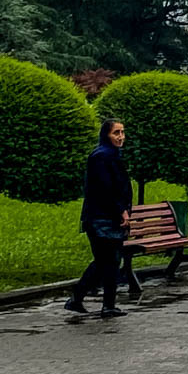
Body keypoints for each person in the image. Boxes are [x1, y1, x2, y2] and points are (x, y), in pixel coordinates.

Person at [65, 118, 132, 318]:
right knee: (107, 261)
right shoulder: (101, 157)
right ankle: (99, 303)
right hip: (100, 218)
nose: (121, 137)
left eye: (122, 132)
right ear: (106, 135)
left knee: (107, 261)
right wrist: (120, 210)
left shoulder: (112, 155)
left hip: (109, 217)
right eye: (116, 133)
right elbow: (104, 188)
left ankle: (83, 300)